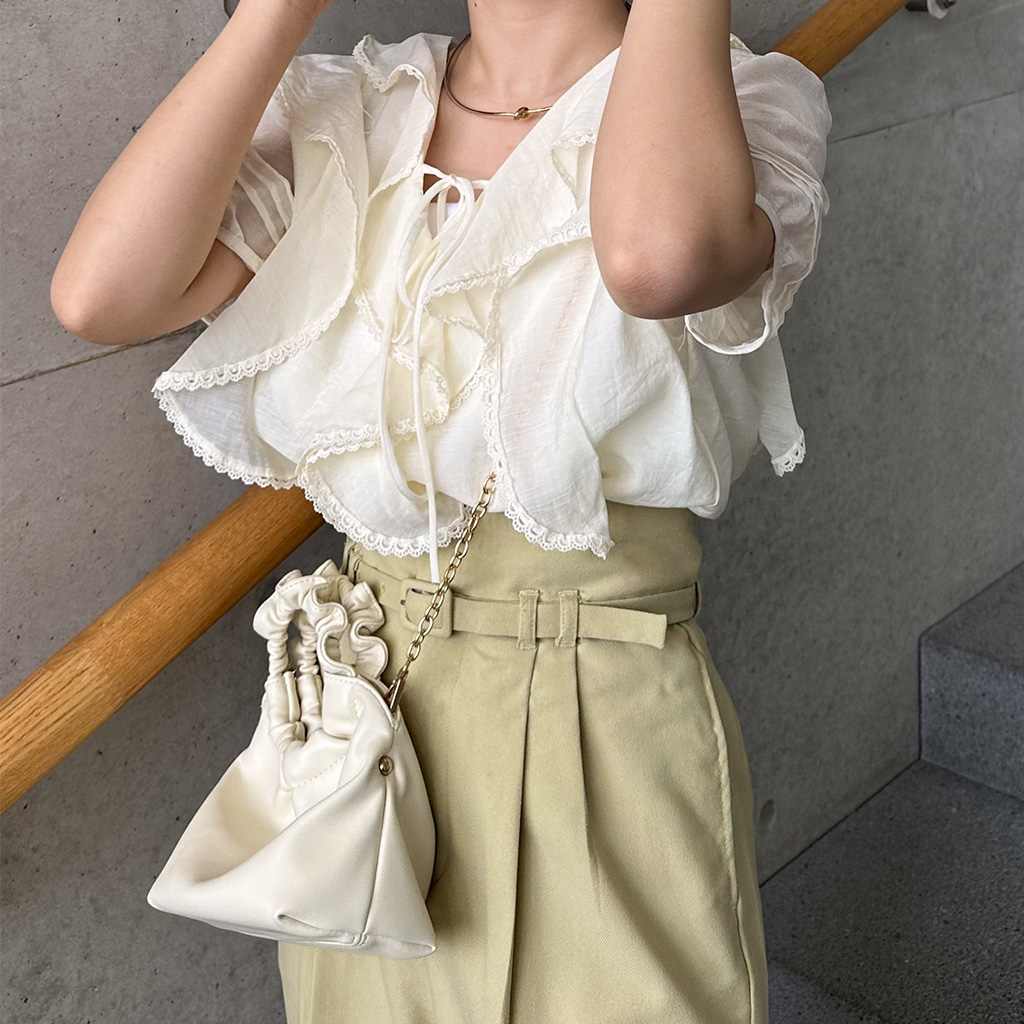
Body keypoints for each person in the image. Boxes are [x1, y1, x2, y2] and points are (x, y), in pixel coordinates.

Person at [51, 0, 832, 1020]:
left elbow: (656, 260)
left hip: (607, 704)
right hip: (364, 721)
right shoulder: (357, 106)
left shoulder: (743, 100)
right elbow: (102, 295)